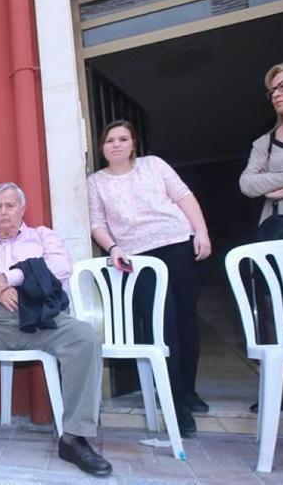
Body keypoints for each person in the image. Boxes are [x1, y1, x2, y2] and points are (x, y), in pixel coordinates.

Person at [0, 183, 112, 477]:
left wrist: (10, 278)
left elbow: (59, 269)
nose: (4, 212)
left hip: (41, 318)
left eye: (10, 205)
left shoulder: (42, 236)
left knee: (85, 337)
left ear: (22, 209)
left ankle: (75, 437)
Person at [87, 119, 212, 436]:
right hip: (137, 258)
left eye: (123, 139)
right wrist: (113, 248)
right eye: (110, 140)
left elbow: (184, 197)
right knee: (160, 328)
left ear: (133, 144)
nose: (116, 144)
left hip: (177, 246)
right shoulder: (96, 182)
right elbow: (97, 223)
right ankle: (175, 405)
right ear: (102, 148)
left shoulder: (154, 165)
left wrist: (201, 232)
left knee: (186, 321)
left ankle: (188, 391)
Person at [239, 57, 283, 412]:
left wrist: (279, 187)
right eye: (272, 90)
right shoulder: (264, 142)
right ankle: (280, 390)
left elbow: (266, 185)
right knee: (273, 307)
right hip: (275, 229)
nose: (276, 94)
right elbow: (249, 185)